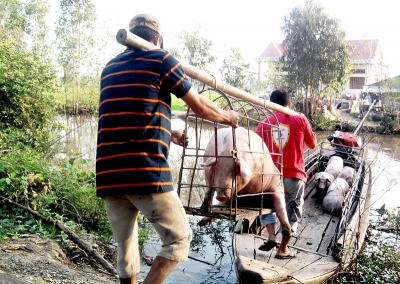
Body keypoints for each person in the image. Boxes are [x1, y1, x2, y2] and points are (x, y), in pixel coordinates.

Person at [96, 14, 239, 284]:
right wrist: (227, 117)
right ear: (158, 39)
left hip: (108, 174)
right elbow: (200, 107)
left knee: (126, 254)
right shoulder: (161, 58)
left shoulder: (110, 67)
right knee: (180, 238)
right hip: (144, 171)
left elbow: (129, 112)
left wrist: (169, 133)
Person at [255, 89, 317, 258]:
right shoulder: (300, 119)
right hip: (294, 176)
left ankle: (271, 236)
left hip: (270, 178)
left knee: (267, 207)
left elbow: (255, 151)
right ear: (289, 104)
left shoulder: (263, 124)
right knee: (292, 211)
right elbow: (312, 145)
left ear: (271, 104)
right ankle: (283, 249)